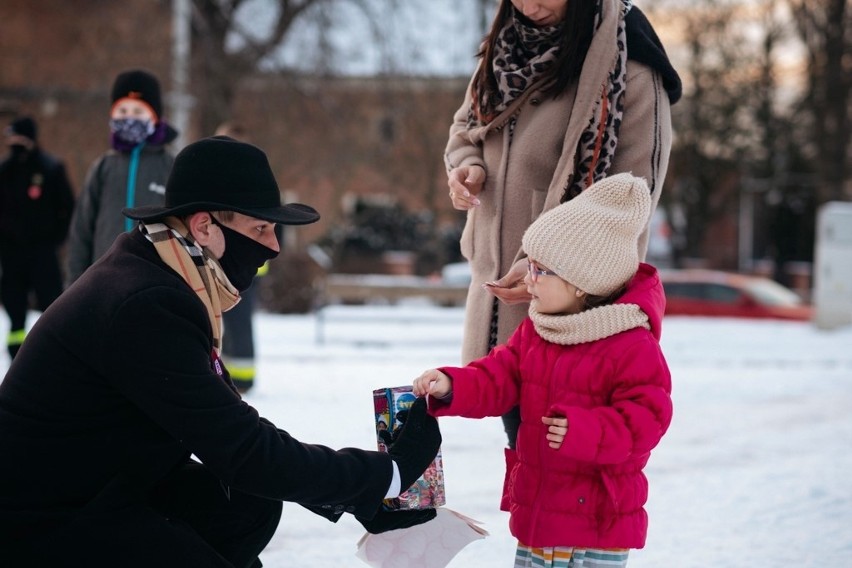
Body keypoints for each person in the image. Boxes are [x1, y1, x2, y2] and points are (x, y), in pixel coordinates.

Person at [0, 136, 441, 568]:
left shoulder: (161, 273)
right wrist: (387, 475)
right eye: (260, 228)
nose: (273, 247)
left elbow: (234, 429)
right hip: (43, 522)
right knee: (244, 491)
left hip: (97, 486)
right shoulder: (146, 304)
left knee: (248, 503)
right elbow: (243, 451)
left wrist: (358, 498)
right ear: (205, 226)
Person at [444, 0, 681, 462]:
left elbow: (630, 198)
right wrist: (467, 166)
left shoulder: (630, 66)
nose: (530, 5)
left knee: (565, 474)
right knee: (529, 463)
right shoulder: (503, 51)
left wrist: (541, 265)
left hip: (575, 319)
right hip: (497, 304)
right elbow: (464, 130)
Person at [414, 173, 673, 568]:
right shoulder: (538, 329)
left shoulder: (631, 344)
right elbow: (498, 376)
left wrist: (584, 430)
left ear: (583, 280)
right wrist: (451, 384)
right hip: (540, 517)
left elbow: (648, 419)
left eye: (540, 270)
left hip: (597, 525)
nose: (528, 280)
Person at [65, 68, 177, 286]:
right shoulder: (104, 167)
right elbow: (82, 232)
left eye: (138, 111)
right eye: (123, 111)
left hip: (156, 281)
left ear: (154, 116)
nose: (129, 118)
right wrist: (74, 285)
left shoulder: (171, 165)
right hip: (104, 281)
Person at [0, 116, 75, 359]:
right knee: (14, 308)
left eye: (19, 137)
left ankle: (53, 352)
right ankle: (15, 353)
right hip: (11, 253)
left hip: (42, 251)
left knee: (51, 305)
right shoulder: (4, 171)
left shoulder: (50, 168)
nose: (15, 143)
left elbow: (68, 207)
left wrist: (56, 238)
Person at [215, 121, 262, 393]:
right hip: (222, 263)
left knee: (238, 323)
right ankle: (227, 373)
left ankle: (243, 377)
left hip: (244, 267)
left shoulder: (247, 178)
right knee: (224, 325)